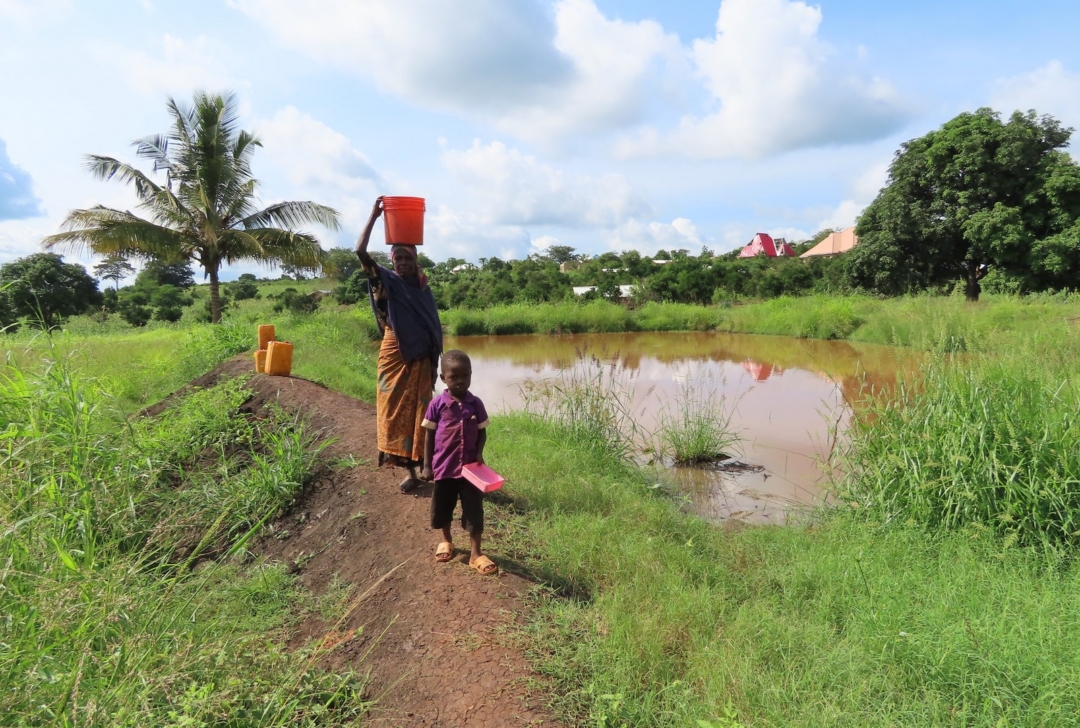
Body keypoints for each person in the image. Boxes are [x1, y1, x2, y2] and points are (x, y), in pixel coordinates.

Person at [355, 197, 443, 493]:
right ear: (391, 261)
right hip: (395, 354)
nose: (404, 263)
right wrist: (375, 214)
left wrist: (435, 361)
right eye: (399, 258)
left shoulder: (422, 287)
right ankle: (406, 470)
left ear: (416, 261)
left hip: (421, 358)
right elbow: (359, 251)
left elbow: (432, 325)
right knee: (393, 410)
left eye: (409, 258)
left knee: (422, 413)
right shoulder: (385, 281)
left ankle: (422, 466)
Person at [420, 349, 498, 576]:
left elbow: (482, 432)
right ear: (443, 378)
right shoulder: (437, 405)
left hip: (470, 470)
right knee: (443, 506)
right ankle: (446, 540)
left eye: (465, 376)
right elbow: (429, 435)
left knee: (474, 510)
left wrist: (480, 453)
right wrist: (427, 465)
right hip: (444, 467)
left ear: (471, 375)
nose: (460, 381)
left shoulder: (476, 404)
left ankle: (475, 553)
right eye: (454, 377)